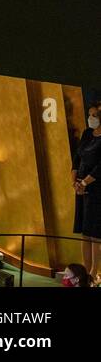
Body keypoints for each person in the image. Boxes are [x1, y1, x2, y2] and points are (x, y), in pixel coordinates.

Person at [72, 103, 101, 282]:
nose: (91, 118)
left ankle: (94, 272)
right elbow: (77, 158)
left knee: (95, 233)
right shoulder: (87, 134)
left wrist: (84, 182)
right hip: (81, 189)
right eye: (89, 115)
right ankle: (84, 271)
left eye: (94, 115)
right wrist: (74, 182)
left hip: (97, 189)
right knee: (84, 231)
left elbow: (100, 168)